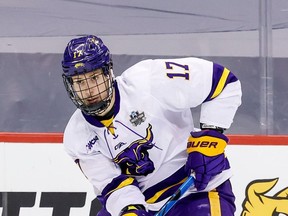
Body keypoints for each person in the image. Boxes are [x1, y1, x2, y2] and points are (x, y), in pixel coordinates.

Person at [61, 35, 242, 216]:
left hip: (198, 190)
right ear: (70, 85)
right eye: (79, 82)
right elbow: (113, 184)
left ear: (108, 73)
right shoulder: (77, 135)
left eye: (94, 78)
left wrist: (211, 134)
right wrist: (130, 209)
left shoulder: (148, 80)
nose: (88, 89)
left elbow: (223, 82)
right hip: (146, 204)